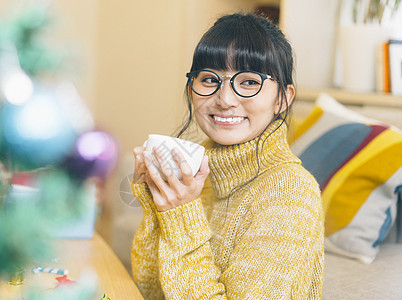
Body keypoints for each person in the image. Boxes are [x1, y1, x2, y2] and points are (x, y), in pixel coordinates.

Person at [130, 12, 324, 299]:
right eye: (209, 79)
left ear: (282, 98)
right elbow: (151, 289)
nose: (225, 99)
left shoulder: (290, 193)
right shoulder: (198, 171)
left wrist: (180, 214)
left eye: (248, 82)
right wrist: (155, 203)